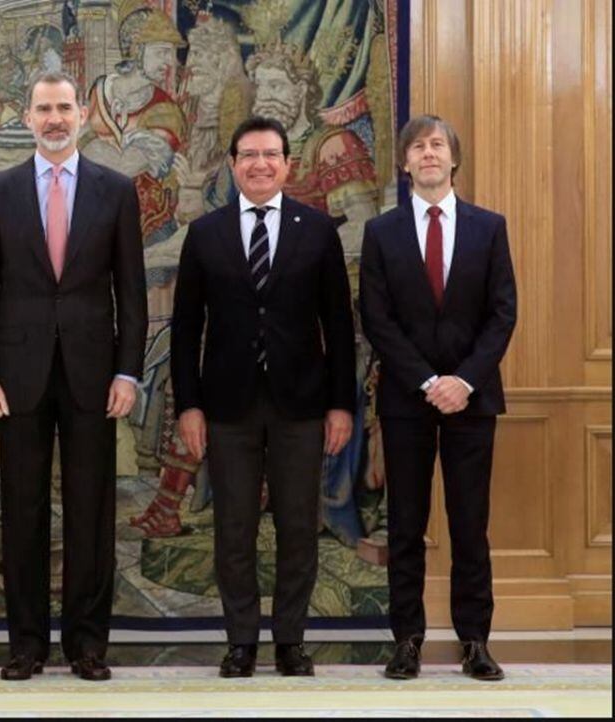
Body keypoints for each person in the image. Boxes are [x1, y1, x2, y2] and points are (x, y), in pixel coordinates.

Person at [0, 71, 147, 682]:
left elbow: (133, 292)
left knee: (91, 511)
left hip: (96, 376)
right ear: (27, 117)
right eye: (43, 108)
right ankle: (26, 644)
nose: (54, 119)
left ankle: (87, 644)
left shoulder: (116, 191)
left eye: (64, 108)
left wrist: (128, 372)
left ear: (82, 117)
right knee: (21, 510)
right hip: (16, 378)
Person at [171, 117, 356, 678]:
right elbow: (185, 329)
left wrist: (341, 404)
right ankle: (242, 642)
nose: (259, 164)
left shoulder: (318, 231)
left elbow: (339, 327)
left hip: (302, 404)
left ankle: (291, 642)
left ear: (287, 164)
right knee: (234, 527)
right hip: (227, 407)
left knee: (299, 525)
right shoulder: (206, 233)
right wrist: (189, 406)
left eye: (270, 154)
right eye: (248, 155)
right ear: (232, 164)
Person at [359, 115, 516, 682]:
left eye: (438, 146)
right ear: (404, 164)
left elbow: (503, 314)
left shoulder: (489, 227)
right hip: (406, 401)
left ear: (453, 160)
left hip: (472, 401)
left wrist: (462, 381)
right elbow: (376, 318)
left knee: (469, 523)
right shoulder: (381, 233)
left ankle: (475, 641)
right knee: (405, 524)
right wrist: (427, 381)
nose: (428, 154)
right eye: (418, 147)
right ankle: (407, 640)